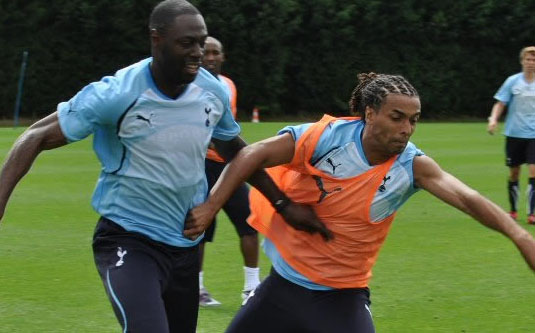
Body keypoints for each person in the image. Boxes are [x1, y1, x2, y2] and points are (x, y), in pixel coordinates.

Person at [0, 1, 330, 332]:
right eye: (187, 43)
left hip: (185, 245)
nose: (198, 52)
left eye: (201, 42)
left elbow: (236, 151)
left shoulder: (211, 90)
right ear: (156, 39)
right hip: (128, 238)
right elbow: (37, 135)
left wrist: (282, 204)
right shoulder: (118, 93)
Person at [185, 73, 535, 333]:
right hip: (281, 289)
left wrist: (520, 237)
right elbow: (252, 154)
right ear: (369, 113)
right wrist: (212, 205)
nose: (407, 129)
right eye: (396, 117)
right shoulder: (325, 137)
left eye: (413, 120)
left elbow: (468, 198)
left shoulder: (413, 166)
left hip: (342, 298)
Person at [198, 36, 260, 307]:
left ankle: (251, 288)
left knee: (248, 223)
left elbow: (227, 127)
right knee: (200, 229)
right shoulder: (191, 86)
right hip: (201, 167)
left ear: (223, 57)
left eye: (216, 53)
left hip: (229, 166)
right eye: (206, 52)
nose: (211, 57)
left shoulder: (229, 85)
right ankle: (196, 288)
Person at [488, 46, 535, 225]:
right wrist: (493, 119)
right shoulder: (513, 81)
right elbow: (500, 103)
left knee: (533, 171)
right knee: (514, 172)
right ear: (522, 61)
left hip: (534, 135)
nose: (531, 63)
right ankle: (513, 210)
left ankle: (532, 213)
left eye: (534, 60)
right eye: (528, 60)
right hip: (514, 133)